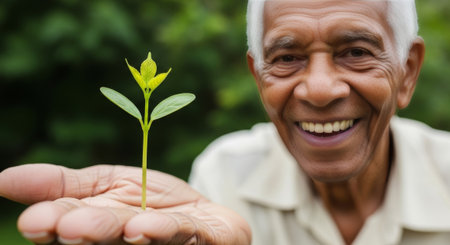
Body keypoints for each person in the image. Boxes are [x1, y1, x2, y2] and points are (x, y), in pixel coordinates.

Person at [1, 0, 450, 244]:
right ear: (259, 79)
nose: (318, 89)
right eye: (287, 58)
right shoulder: (224, 175)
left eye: (356, 53)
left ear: (408, 72)